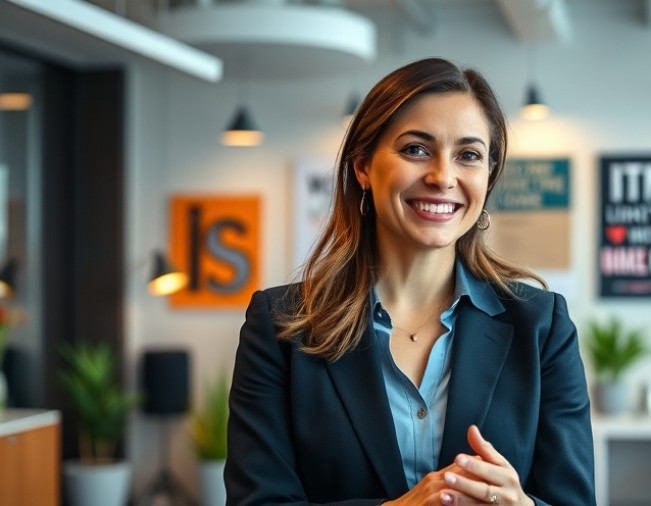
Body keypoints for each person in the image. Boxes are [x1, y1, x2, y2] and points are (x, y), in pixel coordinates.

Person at [225, 57, 595, 506]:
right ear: (363, 166)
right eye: (416, 149)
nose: (443, 177)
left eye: (469, 155)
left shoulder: (542, 326)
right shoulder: (280, 326)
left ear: (488, 175)